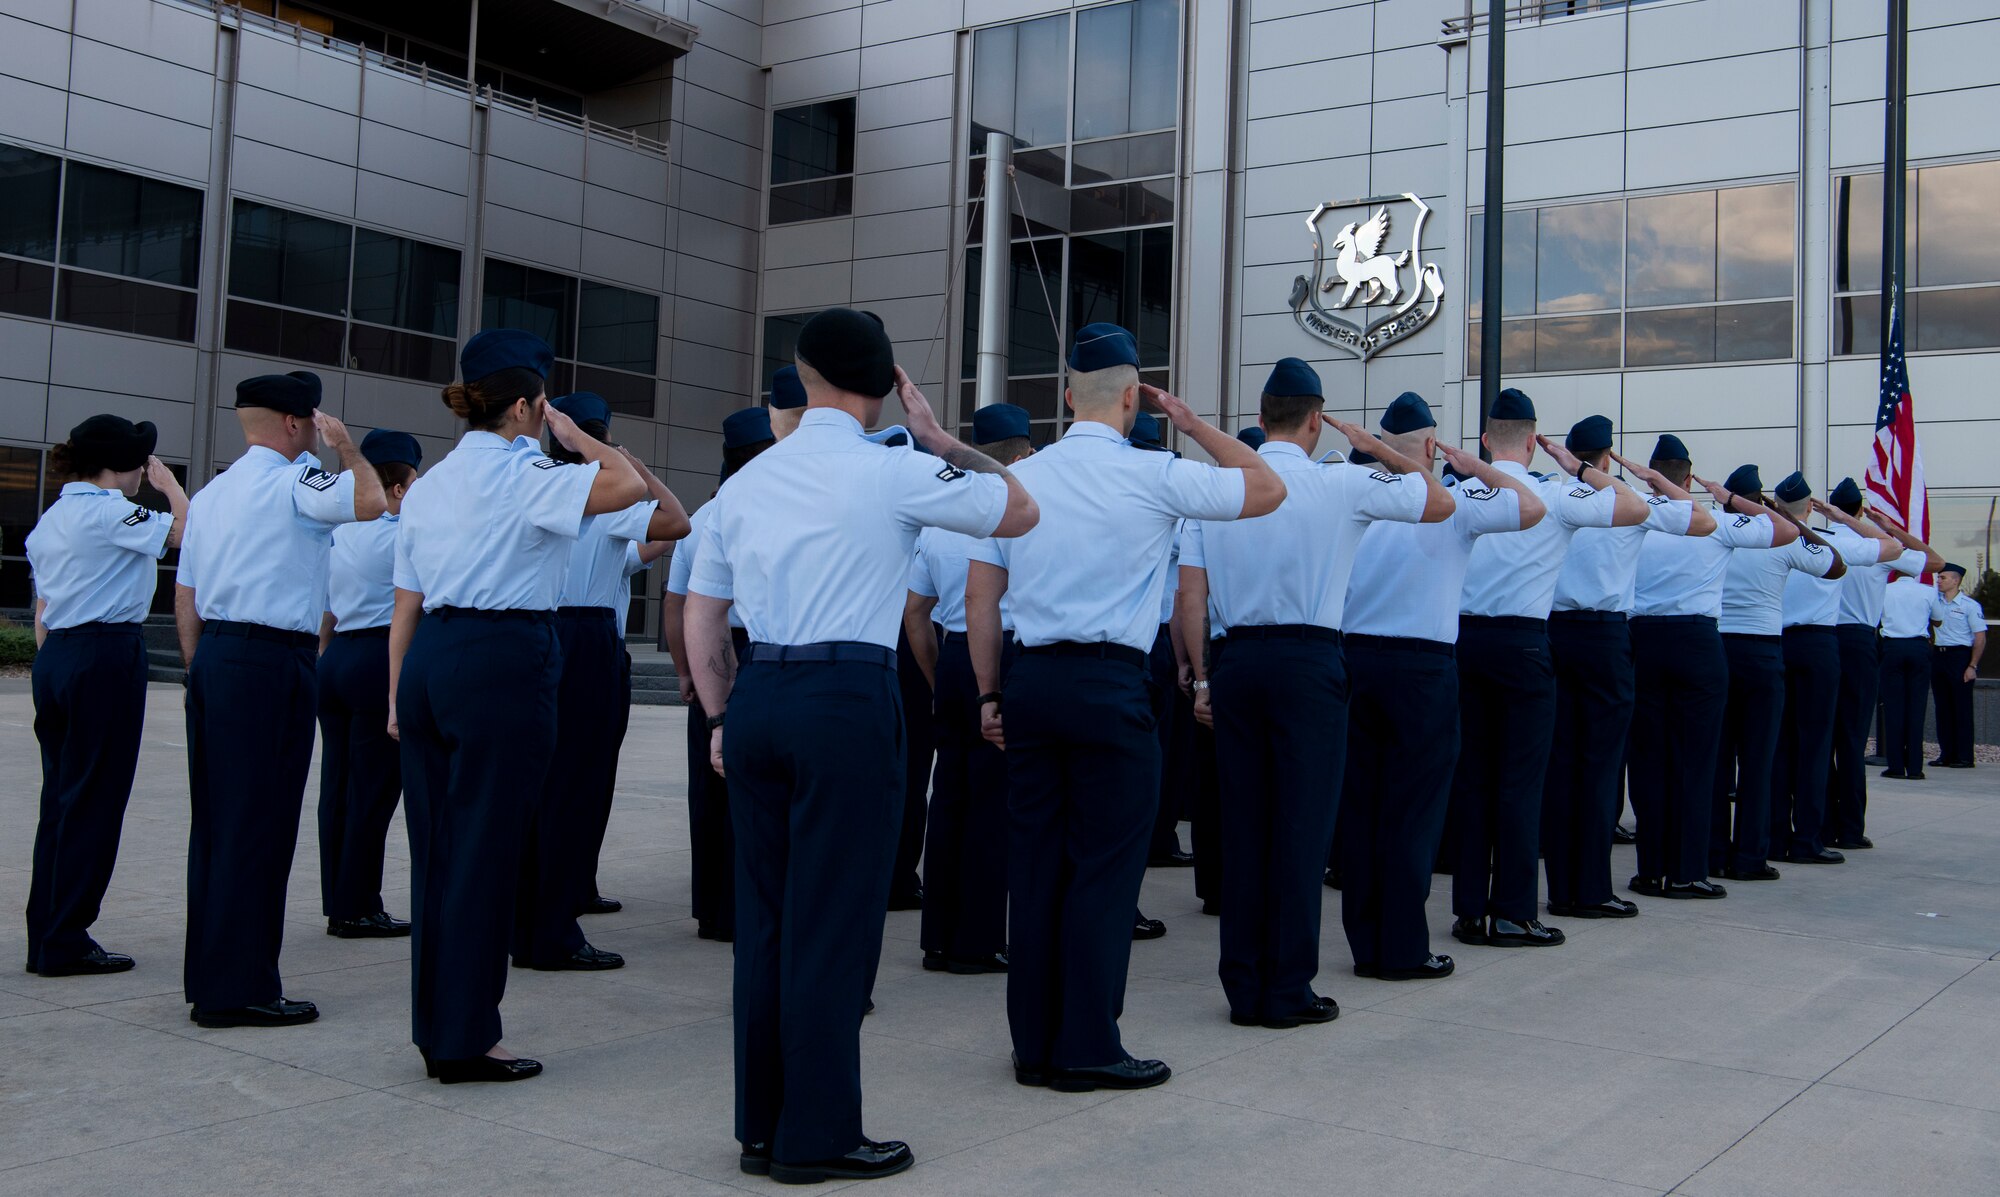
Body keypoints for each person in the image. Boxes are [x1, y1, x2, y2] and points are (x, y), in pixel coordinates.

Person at [684, 308, 1037, 1183]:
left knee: (766, 923)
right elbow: (1020, 509)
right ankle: (820, 1133)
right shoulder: (896, 471)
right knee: (835, 926)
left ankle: (762, 1126)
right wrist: (942, 439)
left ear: (803, 377)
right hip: (846, 696)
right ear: (884, 390)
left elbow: (702, 613)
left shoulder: (746, 484)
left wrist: (724, 718)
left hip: (761, 692)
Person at [967, 323, 1283, 1093]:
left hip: (1032, 679)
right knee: (1104, 872)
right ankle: (1087, 1044)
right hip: (1110, 685)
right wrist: (1193, 423)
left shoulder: (1023, 475)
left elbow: (982, 595)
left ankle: (1034, 1043)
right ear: (1135, 397)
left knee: (1037, 867)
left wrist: (988, 692)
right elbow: (1267, 486)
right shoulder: (1156, 471)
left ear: (1066, 394)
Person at [390, 329, 651, 1083]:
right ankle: (468, 1036)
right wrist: (577, 437)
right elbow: (630, 487)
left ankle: (438, 1025)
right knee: (485, 852)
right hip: (502, 658)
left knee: (438, 854)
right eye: (545, 404)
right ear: (526, 404)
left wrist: (396, 688)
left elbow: (407, 597)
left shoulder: (434, 480)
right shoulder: (527, 471)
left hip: (433, 657)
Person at [1178, 359, 1447, 1028]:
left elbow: (1192, 591)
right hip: (1308, 661)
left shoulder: (1225, 486)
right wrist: (1381, 447)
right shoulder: (1343, 482)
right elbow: (1437, 502)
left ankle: (1244, 983)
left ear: (1263, 416)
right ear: (1316, 419)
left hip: (1237, 659)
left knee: (1245, 827)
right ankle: (1287, 985)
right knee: (1300, 830)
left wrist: (1203, 675)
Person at [175, 372, 386, 1028]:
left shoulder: (210, 495)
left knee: (216, 824)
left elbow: (185, 595)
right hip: (270, 660)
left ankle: (209, 974)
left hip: (216, 656)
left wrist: (201, 667)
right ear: (297, 424)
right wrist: (348, 448)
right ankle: (240, 988)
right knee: (258, 825)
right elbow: (374, 501)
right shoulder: (295, 481)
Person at [1337, 393, 1544, 982]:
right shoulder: (1450, 503)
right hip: (1423, 669)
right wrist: (1477, 466)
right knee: (1413, 814)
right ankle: (1402, 948)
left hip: (1356, 660)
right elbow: (1530, 508)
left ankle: (1367, 943)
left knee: (1364, 810)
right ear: (1431, 446)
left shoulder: (1357, 496)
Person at [1445, 390, 1645, 952]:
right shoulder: (1554, 496)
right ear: (1533, 442)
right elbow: (1636, 507)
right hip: (1525, 646)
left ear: (1486, 439)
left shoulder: (1459, 494)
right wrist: (1577, 465)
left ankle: (1469, 910)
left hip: (1464, 642)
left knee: (1474, 781)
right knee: (1520, 784)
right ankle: (1511, 911)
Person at [511, 392, 688, 972]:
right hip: (585, 640)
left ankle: (527, 920)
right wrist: (631, 465)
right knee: (578, 788)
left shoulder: (531, 484)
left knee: (533, 787)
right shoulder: (603, 494)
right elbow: (676, 521)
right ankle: (555, 929)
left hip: (532, 633)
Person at [23, 417, 186, 977]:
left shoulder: (52, 519)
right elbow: (184, 534)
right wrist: (170, 489)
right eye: (142, 459)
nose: (147, 467)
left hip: (59, 655)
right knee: (96, 798)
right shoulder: (113, 508)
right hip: (105, 654)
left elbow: (43, 612)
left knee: (61, 802)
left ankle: (45, 933)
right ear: (122, 463)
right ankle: (67, 938)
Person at [1543, 418, 1712, 921]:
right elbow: (1700, 519)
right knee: (1598, 769)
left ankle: (1561, 887)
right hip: (1603, 636)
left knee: (1561, 766)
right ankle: (1589, 890)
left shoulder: (1549, 493)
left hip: (1552, 631)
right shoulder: (1626, 502)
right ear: (1606, 458)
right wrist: (1651, 480)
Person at [1626, 439, 1798, 901]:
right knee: (1696, 763)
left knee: (1647, 763)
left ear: (1652, 474)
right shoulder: (1716, 522)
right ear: (1687, 477)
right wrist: (1727, 497)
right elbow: (1785, 529)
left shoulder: (1632, 515)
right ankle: (1686, 871)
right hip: (1698, 643)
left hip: (1640, 640)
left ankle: (1650, 870)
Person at [908, 402, 1034, 975]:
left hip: (953, 657)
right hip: (1000, 657)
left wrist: (940, 677)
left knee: (949, 800)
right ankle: (979, 940)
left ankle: (938, 935)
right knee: (992, 805)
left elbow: (916, 613)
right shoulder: (1018, 511)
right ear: (1021, 451)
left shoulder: (939, 516)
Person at [663, 404, 780, 944]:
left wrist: (685, 670)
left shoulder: (703, 514)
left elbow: (675, 605)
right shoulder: (769, 505)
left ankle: (710, 907)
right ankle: (744, 905)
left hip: (701, 641)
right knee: (753, 785)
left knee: (706, 788)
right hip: (754, 646)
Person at [1712, 467, 1847, 881]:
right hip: (1762, 653)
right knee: (1758, 760)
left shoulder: (1711, 530)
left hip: (1717, 648)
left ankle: (1714, 852)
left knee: (1718, 761)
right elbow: (1834, 565)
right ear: (1761, 499)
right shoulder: (1780, 537)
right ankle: (1751, 855)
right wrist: (1785, 517)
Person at [316, 429, 422, 940]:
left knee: (336, 787)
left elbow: (328, 609)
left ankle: (339, 897)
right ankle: (358, 905)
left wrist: (323, 657)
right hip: (379, 656)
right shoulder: (402, 532)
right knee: (373, 792)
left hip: (337, 656)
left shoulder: (339, 530)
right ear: (399, 488)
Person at [1772, 484, 1901, 866]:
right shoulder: (1832, 541)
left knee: (1779, 747)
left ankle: (1774, 835)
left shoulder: (1765, 538)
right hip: (1818, 645)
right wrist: (1844, 519)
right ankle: (1809, 838)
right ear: (1811, 509)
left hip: (1777, 643)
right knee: (1815, 745)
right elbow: (1891, 547)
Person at [1825, 477, 1938, 844]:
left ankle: (1821, 825)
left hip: (1821, 638)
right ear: (1859, 511)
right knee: (1852, 740)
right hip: (1858, 642)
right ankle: (1851, 828)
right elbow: (1934, 561)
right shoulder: (1878, 548)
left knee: (1821, 739)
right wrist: (1891, 529)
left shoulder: (1818, 539)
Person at [1879, 572, 1936, 780]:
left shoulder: (1885, 589)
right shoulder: (1928, 591)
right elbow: (1938, 619)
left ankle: (1895, 765)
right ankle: (1914, 767)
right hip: (1918, 647)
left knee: (1894, 710)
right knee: (1916, 709)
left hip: (1892, 647)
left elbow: (1877, 617)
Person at [1930, 565, 1986, 769]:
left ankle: (1964, 756)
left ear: (1956, 580)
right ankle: (1947, 753)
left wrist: (1972, 665)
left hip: (1960, 656)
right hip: (1939, 656)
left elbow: (1980, 637)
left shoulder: (1969, 606)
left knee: (1961, 708)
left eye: (1943, 577)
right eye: (1938, 577)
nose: (1939, 581)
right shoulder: (1934, 603)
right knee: (1942, 707)